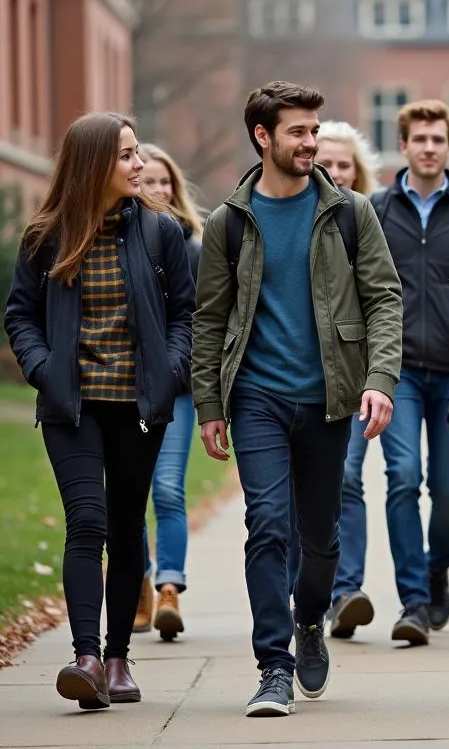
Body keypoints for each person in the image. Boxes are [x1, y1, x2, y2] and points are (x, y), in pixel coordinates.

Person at [190, 82, 403, 717]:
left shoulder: (349, 213)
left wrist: (379, 379)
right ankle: (273, 666)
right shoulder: (229, 222)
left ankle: (310, 620)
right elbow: (208, 319)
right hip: (256, 395)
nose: (311, 142)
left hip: (329, 397)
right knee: (267, 527)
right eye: (299, 132)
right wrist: (208, 406)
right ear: (263, 137)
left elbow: (385, 299)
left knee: (322, 540)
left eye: (314, 131)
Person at [4, 112, 194, 710]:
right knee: (87, 520)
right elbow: (20, 315)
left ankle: (117, 660)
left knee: (127, 523)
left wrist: (169, 369)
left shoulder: (161, 233)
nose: (141, 166)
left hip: (139, 404)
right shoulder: (46, 236)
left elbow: (187, 313)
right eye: (128, 156)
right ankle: (85, 657)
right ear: (94, 164)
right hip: (73, 406)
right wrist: (42, 368)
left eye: (138, 154)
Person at [365, 99, 449, 646]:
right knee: (403, 478)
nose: (429, 148)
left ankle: (437, 567)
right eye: (420, 139)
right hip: (399, 370)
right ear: (404, 145)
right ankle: (413, 599)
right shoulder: (376, 210)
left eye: (438, 139)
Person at [282, 120, 383, 638]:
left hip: (359, 378)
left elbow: (387, 299)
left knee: (344, 480)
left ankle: (345, 588)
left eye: (345, 165)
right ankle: (299, 593)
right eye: (329, 163)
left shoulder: (363, 218)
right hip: (294, 383)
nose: (336, 172)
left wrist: (382, 374)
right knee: (289, 499)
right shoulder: (290, 215)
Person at [132, 144, 204, 642]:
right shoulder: (116, 239)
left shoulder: (192, 247)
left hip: (176, 388)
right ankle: (136, 586)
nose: (158, 190)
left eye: (165, 182)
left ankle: (169, 587)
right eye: (148, 181)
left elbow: (201, 319)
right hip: (120, 388)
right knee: (128, 494)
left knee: (169, 488)